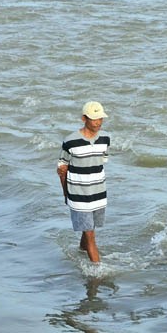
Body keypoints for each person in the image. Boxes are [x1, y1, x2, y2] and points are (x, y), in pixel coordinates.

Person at [57, 101, 111, 263]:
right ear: (84, 118)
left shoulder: (105, 139)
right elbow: (62, 169)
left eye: (100, 118)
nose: (98, 122)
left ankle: (81, 249)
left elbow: (101, 162)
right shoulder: (70, 141)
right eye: (94, 118)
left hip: (99, 194)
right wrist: (66, 194)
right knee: (90, 234)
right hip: (79, 195)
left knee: (90, 229)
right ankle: (98, 271)